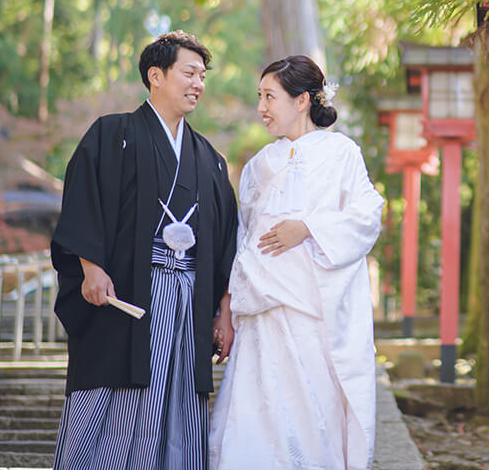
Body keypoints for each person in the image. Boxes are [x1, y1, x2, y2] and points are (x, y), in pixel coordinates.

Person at [50, 31, 239, 470]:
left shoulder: (209, 159)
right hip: (127, 293)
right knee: (113, 389)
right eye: (189, 73)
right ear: (156, 75)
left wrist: (221, 311)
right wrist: (90, 267)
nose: (199, 84)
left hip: (188, 298)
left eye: (203, 76)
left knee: (178, 399)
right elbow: (84, 199)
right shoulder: (111, 134)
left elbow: (227, 238)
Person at [209, 55, 384, 470]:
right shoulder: (257, 167)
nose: (261, 108)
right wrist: (227, 310)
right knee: (255, 416)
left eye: (270, 96)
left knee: (310, 414)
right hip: (261, 317)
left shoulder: (341, 153)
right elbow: (242, 241)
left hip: (313, 316)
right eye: (259, 97)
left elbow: (366, 216)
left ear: (302, 100)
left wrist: (306, 227)